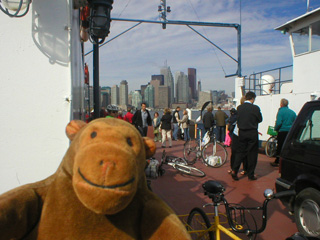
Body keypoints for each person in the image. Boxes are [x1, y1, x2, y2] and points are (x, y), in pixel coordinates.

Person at [231, 91, 262, 181]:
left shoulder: (239, 108)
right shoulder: (255, 108)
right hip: (252, 132)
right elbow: (260, 119)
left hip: (242, 132)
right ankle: (250, 174)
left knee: (240, 152)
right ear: (252, 98)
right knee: (252, 153)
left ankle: (234, 170)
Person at [270, 98, 296, 167]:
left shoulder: (281, 112)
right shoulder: (292, 112)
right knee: (287, 147)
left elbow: (279, 122)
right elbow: (295, 122)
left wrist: (276, 129)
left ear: (281, 104)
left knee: (280, 146)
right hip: (290, 132)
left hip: (282, 131)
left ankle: (277, 161)